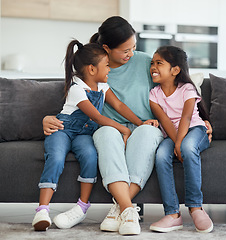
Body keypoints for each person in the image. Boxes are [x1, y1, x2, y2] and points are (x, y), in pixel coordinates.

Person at [42, 16, 212, 236]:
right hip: (110, 128)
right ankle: (128, 209)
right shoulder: (94, 70)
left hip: (146, 127)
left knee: (146, 132)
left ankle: (120, 208)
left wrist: (202, 118)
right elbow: (74, 102)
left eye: (133, 47)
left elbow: (176, 88)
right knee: (105, 135)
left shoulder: (145, 63)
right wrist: (47, 118)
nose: (131, 54)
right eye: (125, 50)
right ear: (106, 49)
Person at [32, 39, 150, 231]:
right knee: (55, 157)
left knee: (90, 157)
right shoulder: (76, 88)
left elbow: (119, 106)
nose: (110, 69)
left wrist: (139, 122)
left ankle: (82, 206)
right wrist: (123, 129)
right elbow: (96, 116)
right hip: (63, 129)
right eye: (106, 66)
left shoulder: (102, 87)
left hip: (83, 134)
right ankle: (42, 210)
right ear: (92, 70)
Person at [148, 46, 213, 233]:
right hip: (172, 134)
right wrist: (176, 142)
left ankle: (195, 207)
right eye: (152, 63)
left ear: (175, 70)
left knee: (188, 148)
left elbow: (186, 118)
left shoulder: (187, 88)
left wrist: (179, 144)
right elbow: (165, 121)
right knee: (161, 156)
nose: (153, 66)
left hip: (194, 129)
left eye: (159, 63)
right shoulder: (154, 94)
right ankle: (172, 214)